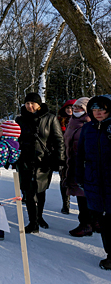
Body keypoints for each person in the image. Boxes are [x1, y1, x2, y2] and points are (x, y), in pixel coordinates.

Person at [15, 93, 65, 233]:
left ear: (39, 105)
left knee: (41, 191)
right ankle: (33, 222)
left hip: (43, 162)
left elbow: (58, 140)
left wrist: (60, 159)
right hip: (25, 161)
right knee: (29, 192)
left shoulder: (50, 119)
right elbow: (14, 139)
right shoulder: (20, 119)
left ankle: (39, 216)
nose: (30, 106)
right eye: (27, 103)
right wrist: (12, 156)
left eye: (33, 103)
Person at [76, 94, 111, 270]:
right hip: (93, 180)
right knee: (102, 219)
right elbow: (80, 153)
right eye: (95, 109)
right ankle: (110, 254)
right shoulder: (88, 128)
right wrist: (79, 175)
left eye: (102, 109)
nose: (98, 112)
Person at [63, 97, 99, 237]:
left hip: (86, 165)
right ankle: (88, 222)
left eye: (80, 107)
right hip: (73, 163)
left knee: (85, 196)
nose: (76, 109)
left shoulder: (90, 123)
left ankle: (87, 224)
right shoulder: (72, 121)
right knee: (80, 195)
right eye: (75, 107)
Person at [57, 99, 76, 214]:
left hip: (76, 154)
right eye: (68, 108)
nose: (70, 110)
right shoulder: (59, 121)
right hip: (64, 154)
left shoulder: (83, 120)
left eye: (72, 108)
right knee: (63, 179)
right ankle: (66, 203)